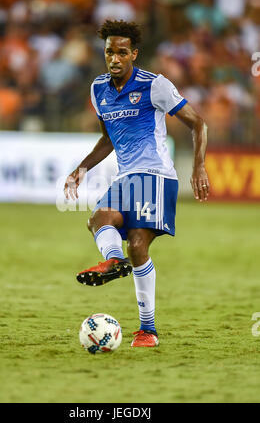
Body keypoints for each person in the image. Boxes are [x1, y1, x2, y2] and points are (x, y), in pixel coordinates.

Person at [64, 20, 209, 348]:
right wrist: (82, 168)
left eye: (122, 52)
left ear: (134, 54)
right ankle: (114, 262)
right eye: (109, 52)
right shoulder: (98, 88)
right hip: (126, 177)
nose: (114, 58)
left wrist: (199, 167)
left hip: (156, 175)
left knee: (138, 244)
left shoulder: (154, 85)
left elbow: (198, 124)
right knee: (98, 219)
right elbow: (107, 139)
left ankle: (148, 330)